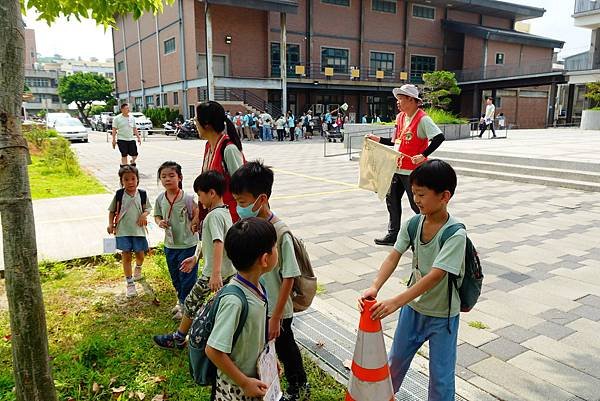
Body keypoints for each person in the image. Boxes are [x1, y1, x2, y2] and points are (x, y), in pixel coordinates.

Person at [358, 160, 465, 401]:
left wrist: (395, 302)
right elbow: (393, 256)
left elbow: (436, 275)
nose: (415, 199)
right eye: (414, 193)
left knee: (441, 376)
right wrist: (375, 286)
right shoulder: (413, 224)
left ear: (444, 196)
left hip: (442, 317)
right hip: (413, 311)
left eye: (422, 194)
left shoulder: (455, 234)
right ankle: (382, 397)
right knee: (394, 363)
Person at [230, 161, 310, 401]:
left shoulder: (280, 232)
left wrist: (276, 316)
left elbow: (289, 276)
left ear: (261, 199)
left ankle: (299, 384)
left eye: (242, 202)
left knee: (286, 347)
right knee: (266, 349)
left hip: (278, 309)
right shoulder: (251, 228)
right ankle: (273, 387)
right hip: (260, 305)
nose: (238, 207)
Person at [153, 170, 236, 349]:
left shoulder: (213, 216)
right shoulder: (224, 212)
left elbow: (218, 242)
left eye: (200, 194)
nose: (199, 199)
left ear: (212, 193)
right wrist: (195, 257)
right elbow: (207, 241)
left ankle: (179, 338)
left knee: (191, 302)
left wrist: (214, 274)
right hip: (228, 270)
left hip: (214, 273)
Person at [206, 217, 278, 401]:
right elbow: (213, 350)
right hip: (235, 387)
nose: (277, 250)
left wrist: (268, 361)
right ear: (265, 259)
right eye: (275, 246)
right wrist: (244, 382)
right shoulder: (234, 301)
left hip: (254, 380)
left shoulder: (258, 287)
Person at [368, 84, 445, 246]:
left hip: (413, 171)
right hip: (396, 168)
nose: (398, 102)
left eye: (401, 99)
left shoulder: (423, 119)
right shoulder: (400, 117)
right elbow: (396, 141)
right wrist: (378, 139)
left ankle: (429, 236)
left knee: (417, 204)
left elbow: (439, 137)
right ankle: (393, 234)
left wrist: (424, 154)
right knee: (392, 201)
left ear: (411, 100)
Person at [154, 161, 199, 320]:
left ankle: (188, 307)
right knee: (175, 276)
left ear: (180, 177)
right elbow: (157, 215)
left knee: (187, 277)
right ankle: (181, 301)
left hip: (188, 245)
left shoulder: (188, 199)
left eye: (171, 175)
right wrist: (160, 222)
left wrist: (195, 222)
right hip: (170, 245)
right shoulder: (160, 199)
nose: (167, 179)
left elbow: (197, 215)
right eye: (163, 176)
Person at [193, 101, 246, 224]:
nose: (195, 124)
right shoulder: (208, 146)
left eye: (196, 120)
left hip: (230, 218)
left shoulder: (229, 149)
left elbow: (242, 187)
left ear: (206, 124)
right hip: (214, 216)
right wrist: (199, 215)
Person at [107, 165, 151, 297]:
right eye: (126, 179)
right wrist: (110, 224)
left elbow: (148, 208)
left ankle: (138, 267)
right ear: (122, 181)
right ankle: (130, 283)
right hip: (123, 231)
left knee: (140, 255)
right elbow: (112, 210)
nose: (130, 182)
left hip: (138, 231)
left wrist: (144, 215)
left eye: (133, 178)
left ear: (138, 180)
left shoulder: (142, 194)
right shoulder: (119, 194)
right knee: (126, 256)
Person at [111, 103, 142, 167]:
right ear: (122, 109)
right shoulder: (117, 118)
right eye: (126, 108)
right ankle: (124, 168)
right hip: (121, 139)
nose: (128, 110)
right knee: (124, 154)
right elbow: (114, 130)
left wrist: (138, 137)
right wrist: (113, 140)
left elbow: (134, 128)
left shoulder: (131, 118)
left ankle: (132, 161)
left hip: (131, 139)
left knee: (135, 155)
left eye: (128, 108)